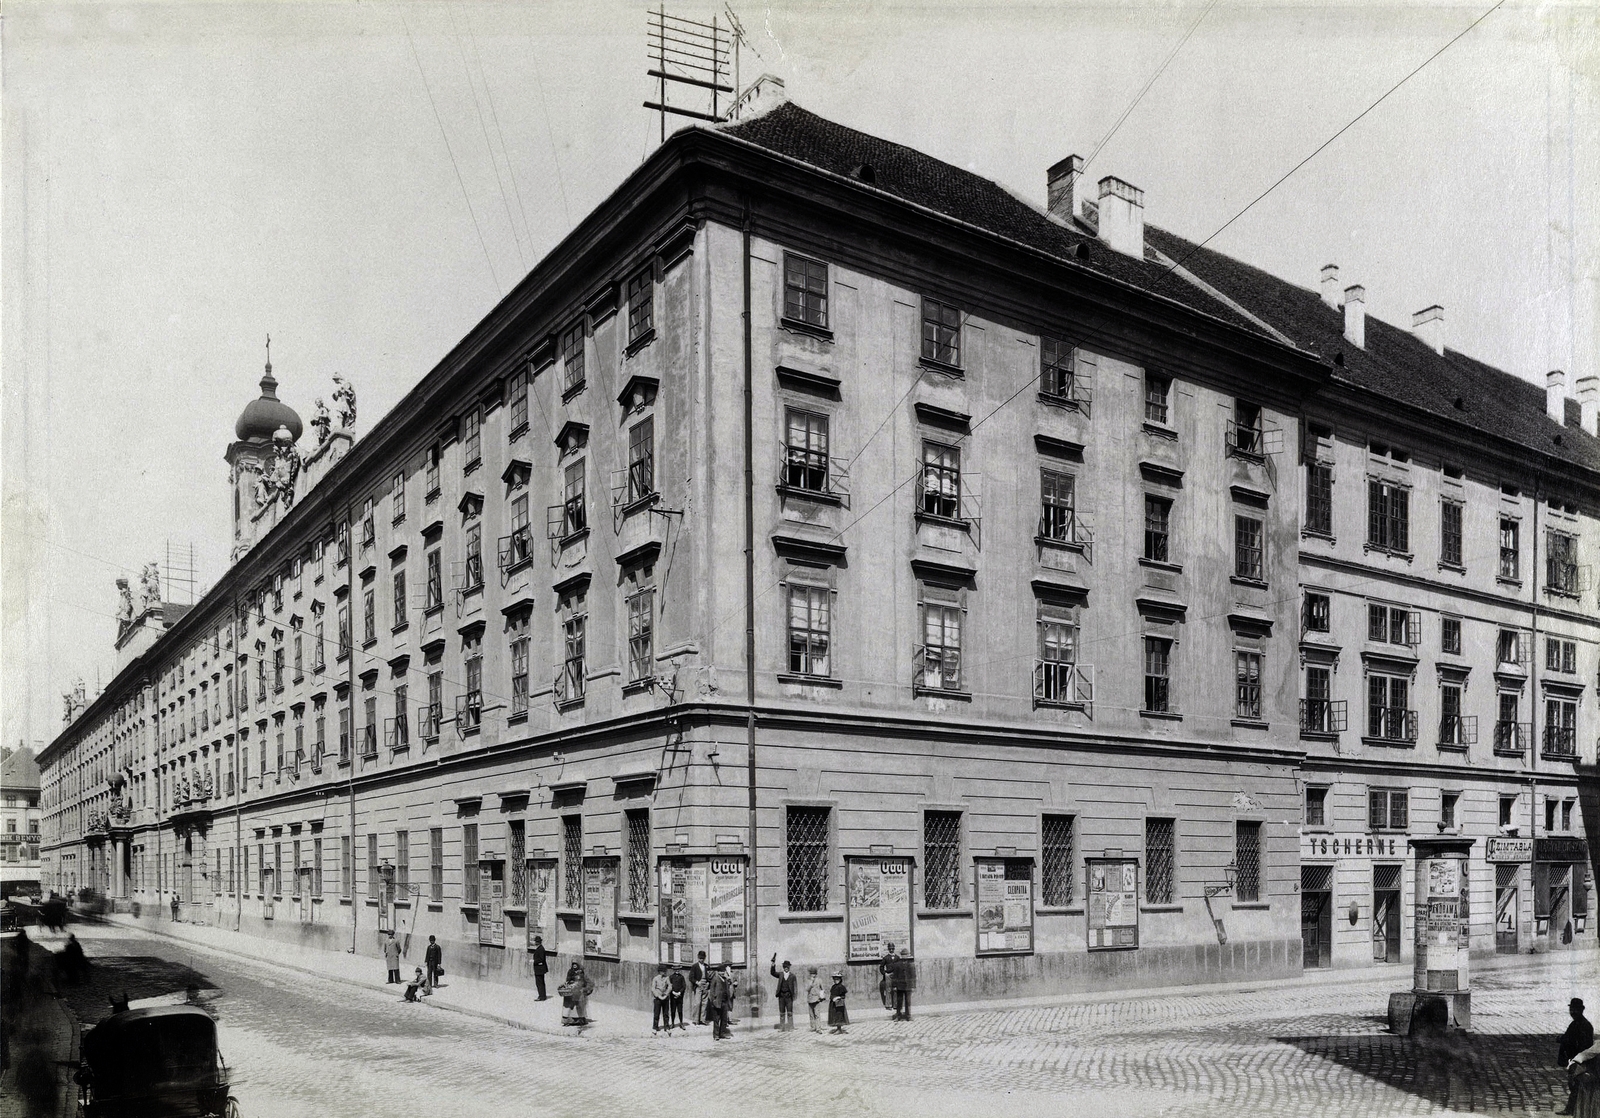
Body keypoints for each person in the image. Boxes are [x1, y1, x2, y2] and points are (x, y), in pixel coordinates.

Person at [1560, 999, 1596, 1114]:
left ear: (1582, 1010)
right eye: (1571, 1009)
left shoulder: (1584, 1025)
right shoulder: (1576, 1023)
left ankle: (1572, 1109)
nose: (1573, 1012)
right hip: (1575, 1059)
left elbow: (1584, 1045)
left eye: (1575, 1009)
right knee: (1573, 1084)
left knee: (1575, 1084)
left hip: (1579, 1060)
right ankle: (1572, 1108)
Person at [559, 961, 594, 1027]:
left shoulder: (582, 973)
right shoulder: (570, 972)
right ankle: (567, 1019)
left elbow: (589, 983)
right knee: (568, 1007)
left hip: (579, 993)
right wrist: (566, 985)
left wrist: (584, 989)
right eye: (573, 964)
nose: (574, 966)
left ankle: (579, 1020)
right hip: (570, 993)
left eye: (576, 964)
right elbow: (567, 981)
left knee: (579, 1007)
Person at [770, 954, 797, 1031]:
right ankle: (782, 1027)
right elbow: (772, 973)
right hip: (781, 996)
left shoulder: (792, 976)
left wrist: (794, 996)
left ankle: (791, 1027)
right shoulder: (780, 974)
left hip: (789, 997)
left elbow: (795, 987)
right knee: (782, 1013)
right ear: (783, 967)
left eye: (787, 967)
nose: (786, 968)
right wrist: (773, 964)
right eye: (785, 967)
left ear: (789, 967)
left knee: (790, 1013)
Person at [892, 950, 915, 1022]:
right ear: (901, 956)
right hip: (900, 986)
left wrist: (913, 986)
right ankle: (898, 1016)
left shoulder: (911, 965)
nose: (904, 956)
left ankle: (908, 1015)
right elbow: (894, 976)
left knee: (908, 1001)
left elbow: (913, 976)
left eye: (906, 955)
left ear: (908, 956)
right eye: (903, 955)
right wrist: (894, 986)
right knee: (899, 1001)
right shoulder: (897, 964)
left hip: (908, 986)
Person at [689, 950, 709, 1026]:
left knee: (705, 1003)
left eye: (703, 958)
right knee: (697, 1003)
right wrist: (697, 982)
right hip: (698, 986)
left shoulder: (707, 966)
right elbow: (691, 977)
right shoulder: (694, 966)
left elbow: (709, 976)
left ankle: (702, 1020)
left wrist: (708, 983)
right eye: (700, 958)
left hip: (705, 986)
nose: (702, 959)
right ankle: (695, 1020)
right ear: (698, 957)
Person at [651, 963, 673, 1033]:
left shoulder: (667, 978)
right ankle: (655, 1027)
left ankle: (666, 1027)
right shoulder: (655, 978)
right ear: (659, 971)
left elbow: (670, 986)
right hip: (658, 998)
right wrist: (658, 996)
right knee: (656, 1013)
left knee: (666, 1013)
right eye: (662, 971)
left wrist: (666, 994)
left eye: (664, 971)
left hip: (665, 997)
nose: (663, 973)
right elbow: (653, 989)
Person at [806, 966, 826, 1033]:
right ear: (810, 974)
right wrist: (810, 983)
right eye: (812, 974)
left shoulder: (819, 980)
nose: (813, 975)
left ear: (816, 974)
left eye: (814, 973)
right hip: (810, 999)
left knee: (817, 1014)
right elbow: (807, 989)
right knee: (811, 1014)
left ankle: (818, 1028)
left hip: (817, 999)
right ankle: (813, 1027)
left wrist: (822, 996)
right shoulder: (808, 980)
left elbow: (822, 989)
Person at [828, 970, 849, 1034]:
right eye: (835, 979)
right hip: (833, 1004)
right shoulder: (833, 986)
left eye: (837, 979)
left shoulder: (841, 987)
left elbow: (843, 996)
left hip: (839, 1004)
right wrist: (832, 998)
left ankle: (839, 1029)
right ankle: (837, 1028)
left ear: (840, 979)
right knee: (834, 1015)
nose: (836, 980)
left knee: (839, 1015)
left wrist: (837, 997)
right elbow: (831, 995)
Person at [531, 936, 549, 1001]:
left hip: (540, 969)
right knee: (540, 982)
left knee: (539, 983)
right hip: (539, 969)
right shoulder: (540, 948)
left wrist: (534, 961)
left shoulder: (541, 949)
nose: (535, 943)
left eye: (536, 941)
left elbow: (541, 959)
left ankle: (542, 996)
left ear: (537, 942)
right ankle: (542, 995)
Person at [879, 944, 895, 1010]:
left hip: (895, 975)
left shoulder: (897, 957)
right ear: (888, 949)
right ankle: (888, 1005)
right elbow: (881, 967)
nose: (891, 950)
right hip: (888, 975)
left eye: (892, 948)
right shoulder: (886, 958)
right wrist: (885, 974)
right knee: (888, 990)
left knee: (895, 990)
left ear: (894, 948)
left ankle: (895, 1005)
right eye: (890, 949)